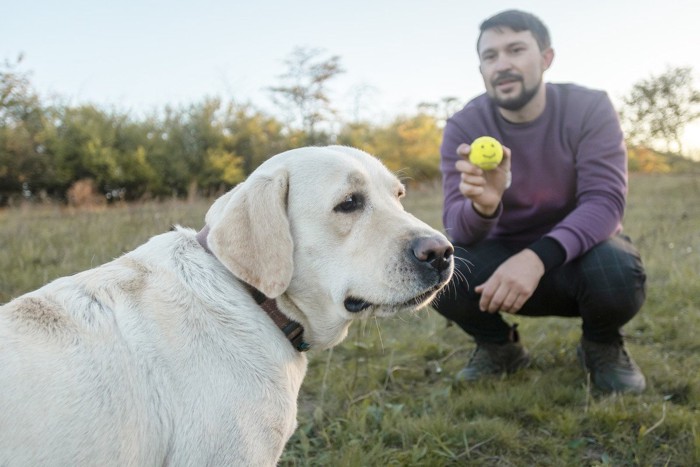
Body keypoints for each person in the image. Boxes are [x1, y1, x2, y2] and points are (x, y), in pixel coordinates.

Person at [433, 9, 647, 393]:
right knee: (441, 270)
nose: (503, 64)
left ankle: (601, 345)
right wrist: (484, 206)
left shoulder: (589, 108)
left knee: (618, 271)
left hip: (575, 258)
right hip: (497, 264)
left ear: (546, 58)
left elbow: (605, 202)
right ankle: (499, 348)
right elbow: (457, 227)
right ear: (481, 69)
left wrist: (535, 259)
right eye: (491, 56)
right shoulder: (463, 126)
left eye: (516, 49)